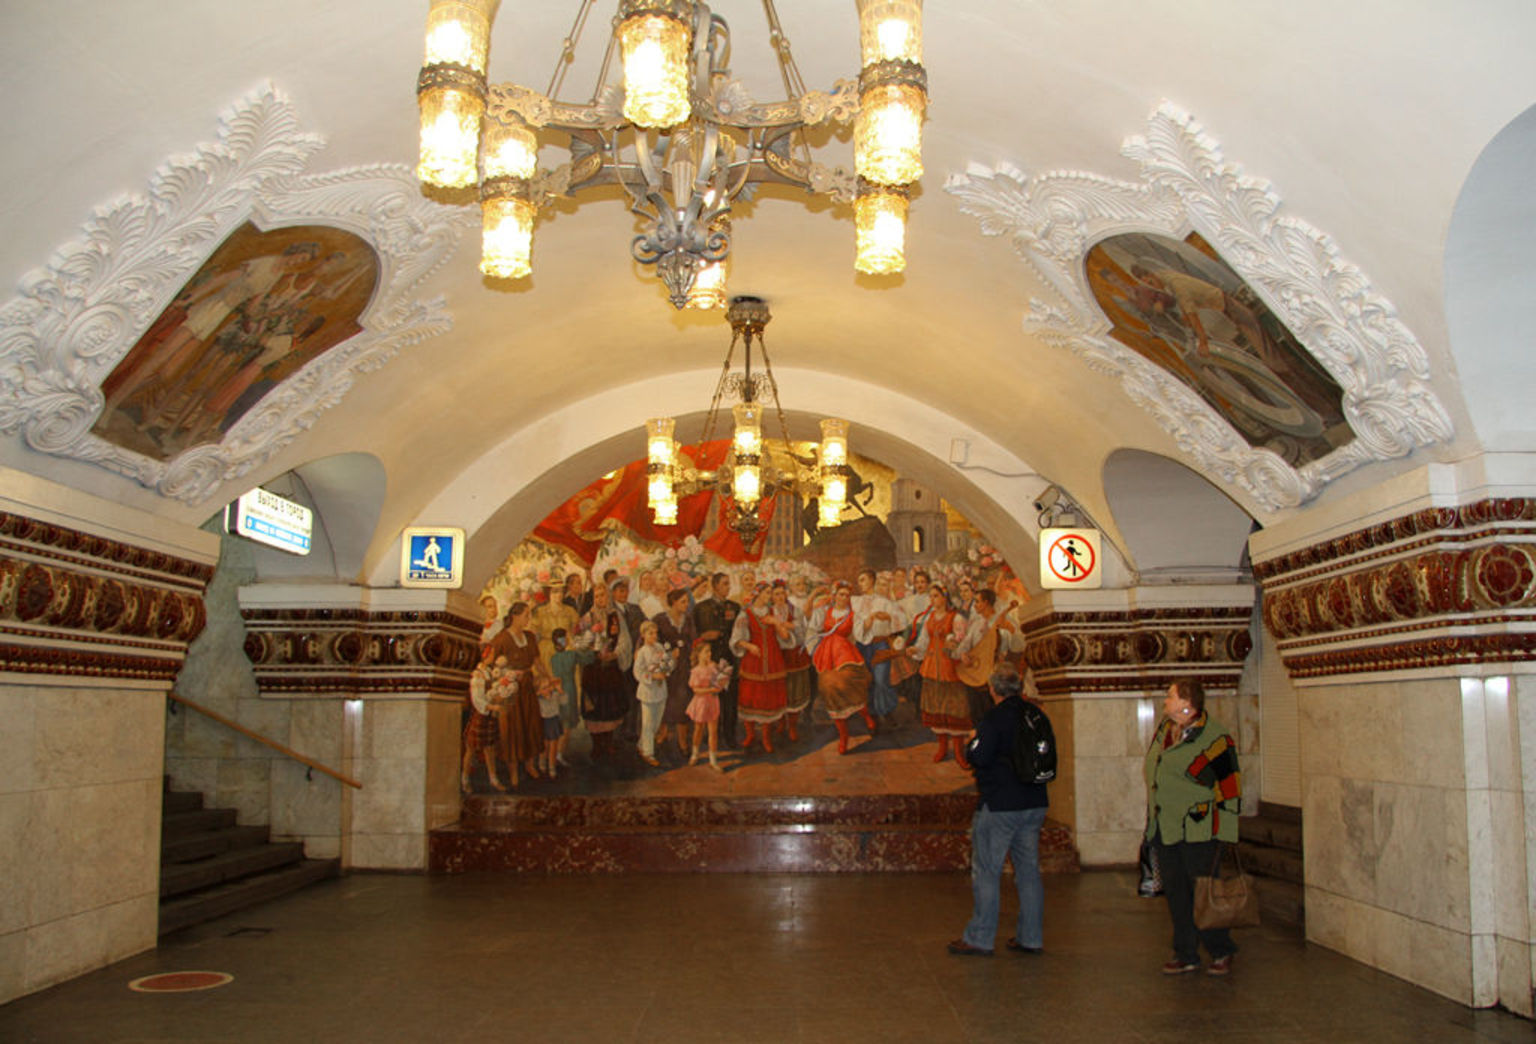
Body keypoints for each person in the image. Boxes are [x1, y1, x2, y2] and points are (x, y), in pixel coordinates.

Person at [948, 663, 1050, 957]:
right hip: (1035, 802)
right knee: (1028, 871)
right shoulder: (1036, 715)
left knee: (987, 871)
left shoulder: (994, 719)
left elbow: (977, 756)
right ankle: (1031, 937)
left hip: (1001, 804)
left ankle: (980, 937)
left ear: (993, 690)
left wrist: (971, 742)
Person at [1145, 678, 1243, 976]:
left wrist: (1226, 833)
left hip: (1199, 829)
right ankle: (1185, 951)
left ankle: (1220, 948)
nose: (1165, 701)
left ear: (1187, 703)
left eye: (1170, 696)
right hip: (1166, 825)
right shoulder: (1165, 731)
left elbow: (1230, 788)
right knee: (1176, 891)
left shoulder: (1215, 738)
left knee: (1203, 891)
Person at [806, 581, 878, 754]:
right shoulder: (824, 612)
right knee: (830, 689)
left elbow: (861, 634)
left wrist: (871, 620)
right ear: (834, 596)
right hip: (827, 655)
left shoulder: (854, 615)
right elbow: (811, 624)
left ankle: (865, 714)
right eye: (841, 594)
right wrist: (814, 594)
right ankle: (843, 737)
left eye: (847, 595)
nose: (844, 598)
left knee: (850, 686)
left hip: (846, 654)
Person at [909, 584, 973, 765]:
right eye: (931, 596)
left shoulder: (955, 617)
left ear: (945, 597)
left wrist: (953, 641)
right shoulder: (929, 618)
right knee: (936, 709)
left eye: (936, 596)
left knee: (955, 709)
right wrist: (915, 649)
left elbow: (962, 637)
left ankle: (959, 752)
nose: (933, 600)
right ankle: (942, 748)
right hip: (931, 666)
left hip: (949, 666)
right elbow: (923, 641)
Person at [732, 584, 788, 754]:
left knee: (768, 699)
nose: (770, 596)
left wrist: (776, 623)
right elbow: (736, 639)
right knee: (750, 696)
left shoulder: (774, 612)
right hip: (753, 660)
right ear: (758, 594)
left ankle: (766, 738)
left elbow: (785, 636)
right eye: (767, 593)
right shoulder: (745, 614)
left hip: (772, 660)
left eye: (771, 593)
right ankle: (750, 735)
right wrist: (749, 646)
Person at [693, 572, 741, 748]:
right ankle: (712, 736)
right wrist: (704, 637)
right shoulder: (701, 608)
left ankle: (730, 736)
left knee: (730, 700)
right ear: (715, 586)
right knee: (711, 699)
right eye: (724, 584)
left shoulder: (735, 607)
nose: (728, 587)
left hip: (730, 659)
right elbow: (696, 635)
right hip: (710, 659)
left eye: (729, 584)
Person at [631, 620, 671, 766]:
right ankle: (648, 753)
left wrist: (666, 670)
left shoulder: (660, 647)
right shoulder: (642, 652)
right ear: (643, 635)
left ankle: (642, 744)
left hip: (661, 690)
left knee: (656, 722)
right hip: (648, 691)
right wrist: (653, 676)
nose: (654, 636)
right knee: (648, 723)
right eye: (650, 633)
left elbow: (667, 662)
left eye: (655, 633)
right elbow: (637, 672)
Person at [686, 641, 726, 771]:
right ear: (699, 654)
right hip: (701, 703)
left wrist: (720, 685)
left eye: (710, 651)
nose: (709, 654)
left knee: (713, 732)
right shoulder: (696, 671)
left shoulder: (713, 666)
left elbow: (719, 683)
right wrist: (710, 690)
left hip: (713, 702)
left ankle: (713, 759)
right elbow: (696, 690)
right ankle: (695, 753)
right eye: (706, 652)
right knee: (698, 730)